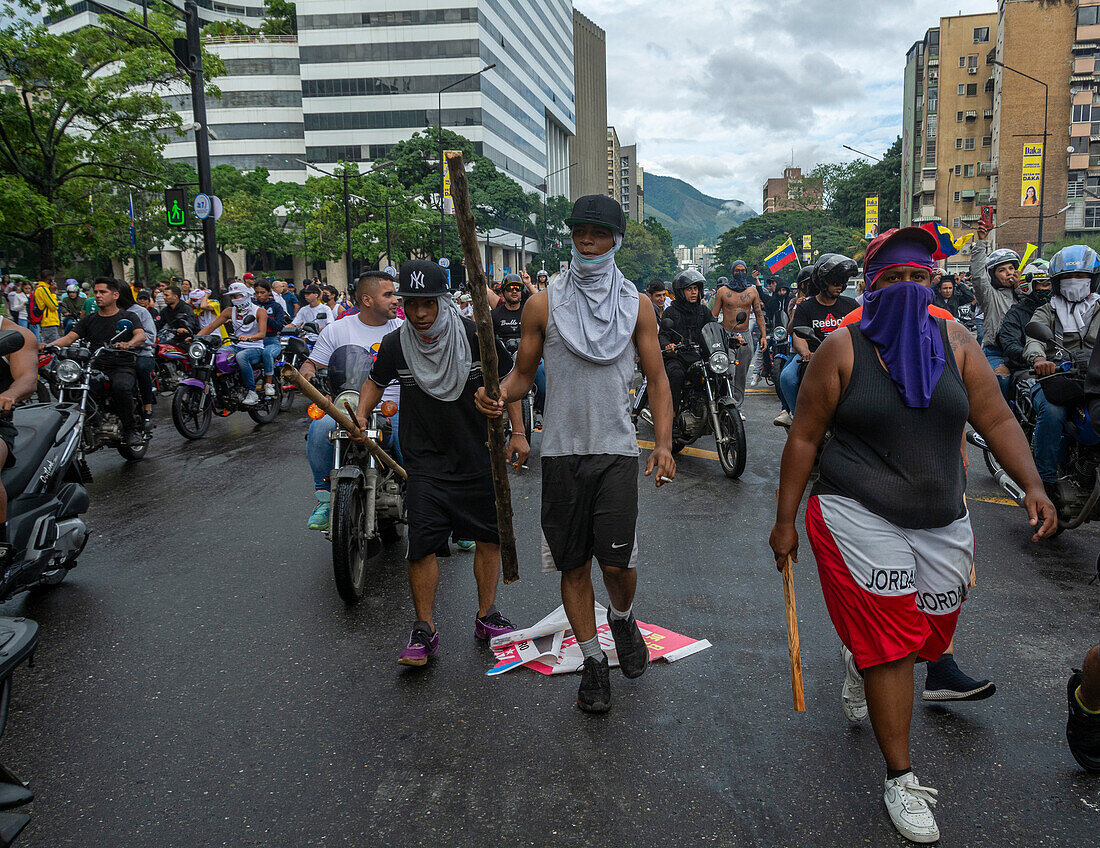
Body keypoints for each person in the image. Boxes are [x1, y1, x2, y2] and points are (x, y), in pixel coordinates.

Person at [770, 226, 1056, 844]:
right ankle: (900, 777)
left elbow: (998, 416)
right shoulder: (841, 349)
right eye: (892, 279)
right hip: (856, 511)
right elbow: (804, 438)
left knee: (929, 633)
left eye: (917, 278)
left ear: (932, 283)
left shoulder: (957, 342)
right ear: (872, 286)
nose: (906, 289)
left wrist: (1033, 484)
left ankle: (860, 660)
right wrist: (785, 520)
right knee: (893, 646)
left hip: (940, 515)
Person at [476, 194, 676, 714]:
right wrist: (497, 394)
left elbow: (657, 378)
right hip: (560, 453)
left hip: (616, 450)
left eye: (598, 231)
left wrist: (667, 445)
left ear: (615, 239)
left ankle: (622, 617)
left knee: (617, 565)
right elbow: (522, 374)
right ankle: (591, 661)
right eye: (580, 230)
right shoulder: (544, 303)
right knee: (573, 564)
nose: (587, 239)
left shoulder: (637, 306)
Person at [353, 260, 528, 666]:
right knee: (422, 546)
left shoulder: (473, 335)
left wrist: (517, 432)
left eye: (428, 303)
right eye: (412, 304)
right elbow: (374, 383)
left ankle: (486, 616)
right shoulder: (397, 344)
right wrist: (362, 415)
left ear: (443, 300)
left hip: (477, 454)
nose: (420, 313)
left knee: (488, 538)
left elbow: (509, 383)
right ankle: (424, 629)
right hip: (426, 461)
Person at [299, 271, 405, 531]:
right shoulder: (337, 330)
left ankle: (425, 499)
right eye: (389, 295)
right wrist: (310, 378)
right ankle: (324, 498)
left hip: (392, 408)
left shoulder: (403, 331)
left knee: (410, 438)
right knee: (319, 427)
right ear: (367, 300)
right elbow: (311, 364)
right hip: (346, 405)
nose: (396, 300)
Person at [1022, 244, 1100, 506]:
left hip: (1093, 382)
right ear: (1057, 283)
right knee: (1052, 414)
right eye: (1068, 278)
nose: (1075, 283)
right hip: (1055, 380)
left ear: (1094, 280)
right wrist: (1040, 358)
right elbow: (1034, 338)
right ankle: (1044, 483)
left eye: (1081, 277)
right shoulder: (1048, 309)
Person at [50, 278, 147, 445]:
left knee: (121, 387)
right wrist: (47, 346)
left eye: (103, 292)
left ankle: (132, 430)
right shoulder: (88, 319)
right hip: (94, 366)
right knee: (70, 387)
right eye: (96, 292)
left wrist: (128, 343)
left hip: (121, 366)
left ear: (115, 295)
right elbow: (68, 338)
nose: (98, 295)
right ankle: (95, 419)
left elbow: (140, 335)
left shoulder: (128, 317)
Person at [776, 254, 859, 424]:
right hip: (814, 355)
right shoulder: (805, 307)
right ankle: (798, 417)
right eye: (836, 282)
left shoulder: (851, 305)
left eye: (843, 282)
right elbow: (798, 335)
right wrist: (806, 352)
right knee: (787, 377)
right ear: (822, 282)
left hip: (846, 356)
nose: (840, 286)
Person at [197, 281, 267, 407]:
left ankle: (252, 391)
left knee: (241, 357)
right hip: (236, 346)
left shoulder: (259, 311)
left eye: (237, 296)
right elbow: (211, 326)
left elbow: (262, 334)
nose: (234, 299)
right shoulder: (229, 311)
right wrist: (196, 338)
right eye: (232, 297)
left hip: (255, 347)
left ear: (246, 295)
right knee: (216, 355)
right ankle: (222, 388)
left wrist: (248, 337)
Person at [660, 269, 719, 415]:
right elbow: (662, 335)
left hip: (699, 357)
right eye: (689, 289)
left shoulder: (703, 311)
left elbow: (715, 328)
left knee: (719, 372)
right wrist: (668, 345)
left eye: (696, 289)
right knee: (676, 374)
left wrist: (731, 338)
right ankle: (672, 414)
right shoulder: (671, 312)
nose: (693, 292)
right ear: (680, 292)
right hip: (678, 357)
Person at [969, 228, 1021, 389]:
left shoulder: (1024, 297)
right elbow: (978, 276)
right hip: (997, 352)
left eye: (1011, 268)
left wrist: (1021, 289)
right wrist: (981, 242)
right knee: (1001, 379)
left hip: (1021, 352)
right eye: (1002, 270)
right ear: (993, 274)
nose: (1008, 273)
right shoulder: (990, 296)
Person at [712, 259, 766, 407]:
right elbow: (714, 316)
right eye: (737, 271)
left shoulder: (752, 291)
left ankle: (737, 406)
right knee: (729, 371)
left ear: (747, 272)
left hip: (745, 335)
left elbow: (759, 314)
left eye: (743, 270)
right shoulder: (723, 291)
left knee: (741, 374)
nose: (740, 273)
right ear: (732, 272)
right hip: (727, 335)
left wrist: (763, 336)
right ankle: (727, 404)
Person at [996, 267, 1052, 373]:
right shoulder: (1016, 313)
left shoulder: (1059, 309)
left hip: (1060, 367)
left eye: (1051, 284)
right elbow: (1010, 345)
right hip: (1025, 368)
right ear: (1029, 286)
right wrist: (1036, 358)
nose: (1050, 289)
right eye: (1045, 285)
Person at [117, 286, 158, 423]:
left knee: (140, 368)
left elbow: (150, 337)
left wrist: (130, 343)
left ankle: (147, 405)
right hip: (116, 355)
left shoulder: (140, 312)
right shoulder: (108, 313)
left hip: (141, 353)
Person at [252, 280, 288, 398]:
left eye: (262, 292)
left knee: (267, 353)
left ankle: (268, 384)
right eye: (257, 293)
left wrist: (264, 316)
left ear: (269, 292)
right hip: (255, 342)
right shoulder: (251, 306)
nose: (259, 296)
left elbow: (279, 326)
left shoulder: (276, 307)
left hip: (272, 341)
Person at [33, 272, 59, 345]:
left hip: (49, 321)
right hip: (49, 321)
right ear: (49, 280)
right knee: (53, 346)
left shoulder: (42, 288)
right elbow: (54, 306)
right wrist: (53, 293)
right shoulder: (43, 289)